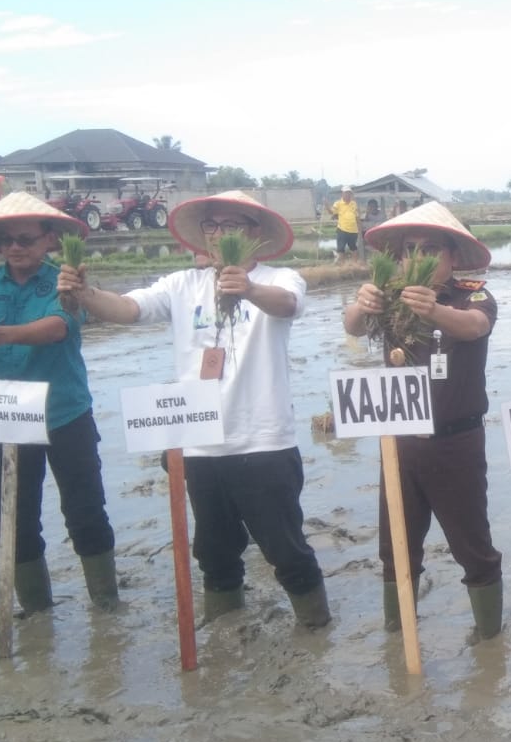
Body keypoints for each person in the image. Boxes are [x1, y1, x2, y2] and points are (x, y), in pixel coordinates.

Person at [57, 191, 331, 628]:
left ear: (255, 233)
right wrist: (86, 293)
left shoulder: (281, 278)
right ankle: (225, 632)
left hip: (262, 442)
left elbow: (289, 305)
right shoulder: (182, 285)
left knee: (285, 548)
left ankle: (316, 629)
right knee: (214, 552)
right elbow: (130, 309)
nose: (221, 235)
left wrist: (249, 287)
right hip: (200, 445)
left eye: (233, 225)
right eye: (212, 226)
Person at [0, 193, 119, 613]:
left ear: (49, 240)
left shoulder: (64, 283)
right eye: (8, 240)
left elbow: (58, 327)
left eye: (26, 239)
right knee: (11, 517)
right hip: (5, 417)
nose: (16, 247)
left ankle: (106, 605)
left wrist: (0, 334)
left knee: (85, 510)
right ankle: (35, 612)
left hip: (64, 413)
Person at [343, 202, 503, 638]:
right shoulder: (388, 294)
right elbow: (354, 327)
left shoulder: (473, 294)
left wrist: (432, 309)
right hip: (399, 442)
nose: (418, 257)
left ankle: (489, 637)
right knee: (395, 546)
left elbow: (473, 327)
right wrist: (362, 303)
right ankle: (399, 633)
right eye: (409, 249)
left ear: (451, 257)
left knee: (473, 547)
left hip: (456, 441)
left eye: (430, 248)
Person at [328, 186, 361, 263]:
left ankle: (354, 264)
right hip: (342, 229)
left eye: (349, 193)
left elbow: (357, 217)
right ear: (342, 194)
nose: (348, 195)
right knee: (341, 249)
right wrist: (326, 206)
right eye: (346, 193)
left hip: (353, 230)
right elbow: (332, 212)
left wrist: (359, 229)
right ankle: (343, 266)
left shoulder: (354, 204)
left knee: (353, 248)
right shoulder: (338, 203)